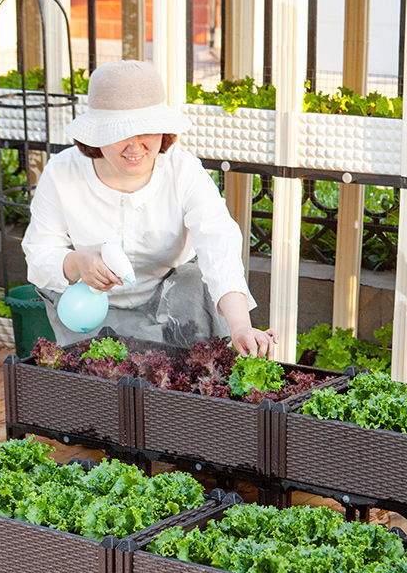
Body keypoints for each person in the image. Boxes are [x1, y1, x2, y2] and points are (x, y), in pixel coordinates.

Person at [22, 59, 276, 357]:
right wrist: (77, 262)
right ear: (96, 134)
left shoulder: (183, 170)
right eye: (120, 132)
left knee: (193, 285)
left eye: (148, 131)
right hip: (88, 308)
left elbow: (218, 245)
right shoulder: (61, 172)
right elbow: (39, 255)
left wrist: (240, 326)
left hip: (172, 305)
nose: (135, 146)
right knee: (102, 393)